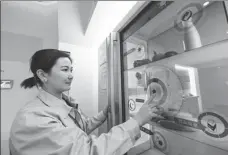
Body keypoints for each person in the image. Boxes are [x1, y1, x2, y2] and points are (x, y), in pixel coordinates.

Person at [9, 49, 159, 155]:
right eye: (65, 70)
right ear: (42, 75)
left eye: (71, 70)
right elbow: (87, 151)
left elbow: (79, 129)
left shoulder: (63, 102)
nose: (71, 75)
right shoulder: (33, 118)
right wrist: (137, 121)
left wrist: (103, 115)